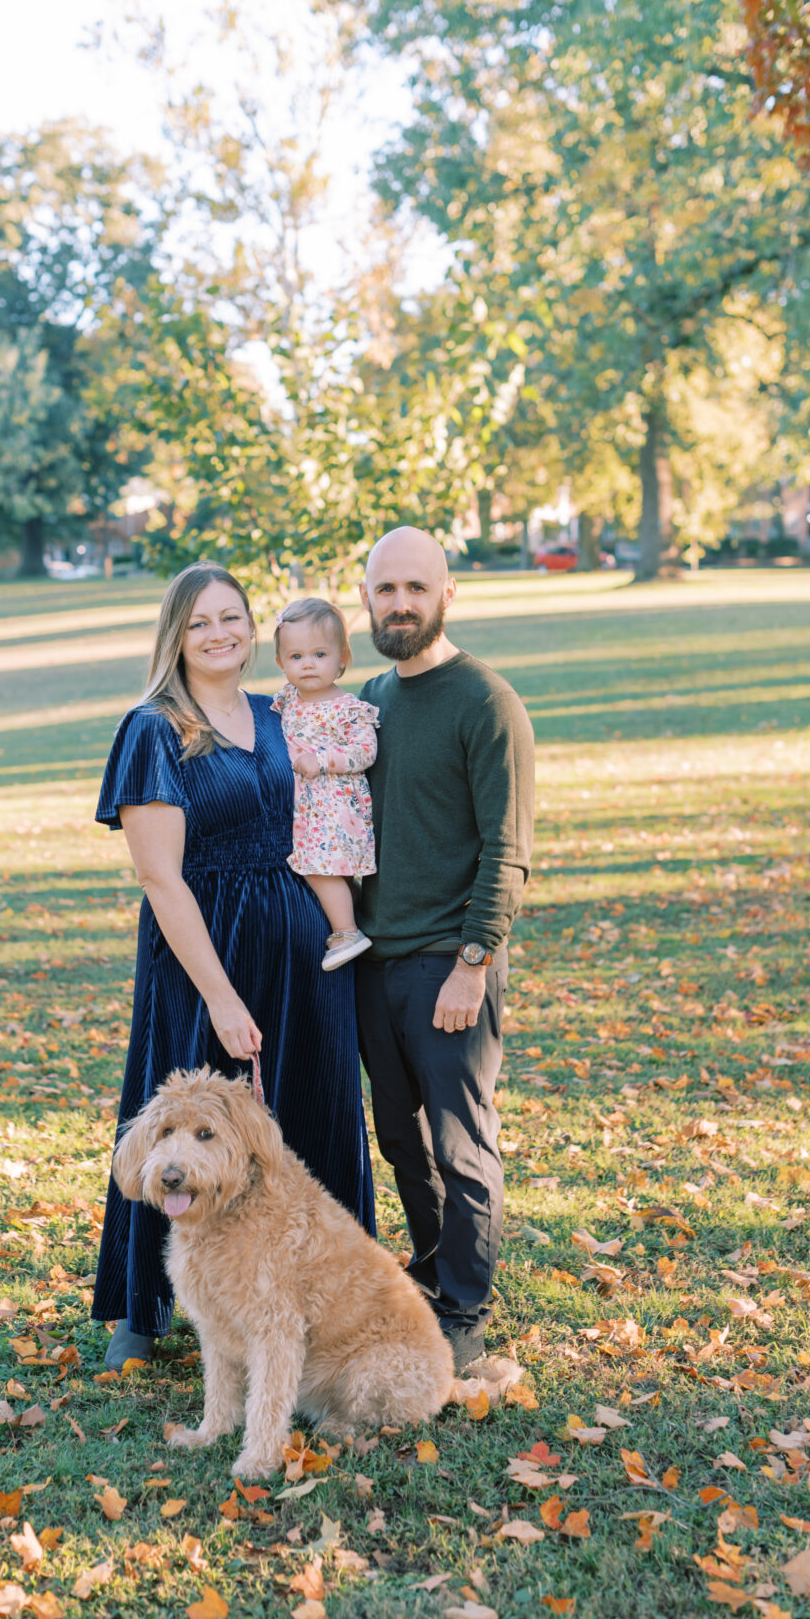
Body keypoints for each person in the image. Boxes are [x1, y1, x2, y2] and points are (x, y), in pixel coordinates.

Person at [93, 563, 376, 1368]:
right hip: (203, 949)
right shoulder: (154, 727)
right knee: (182, 1124)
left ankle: (325, 1300)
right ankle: (144, 1313)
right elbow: (159, 876)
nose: (219, 634)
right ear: (174, 636)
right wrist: (217, 994)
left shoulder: (278, 714)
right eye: (199, 623)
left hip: (300, 946)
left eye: (231, 617)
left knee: (314, 1111)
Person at [354, 526, 535, 1372]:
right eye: (385, 588)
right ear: (365, 596)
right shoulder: (368, 701)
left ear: (446, 594)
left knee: (460, 1145)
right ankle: (429, 1275)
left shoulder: (484, 701)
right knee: (400, 1138)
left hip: (449, 962)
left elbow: (508, 848)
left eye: (414, 589)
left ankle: (464, 1309)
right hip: (371, 961)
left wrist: (473, 960)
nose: (399, 604)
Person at [271, 597, 380, 970]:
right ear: (281, 663)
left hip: (334, 805)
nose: (308, 664)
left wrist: (322, 760)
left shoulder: (346, 708)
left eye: (319, 654)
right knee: (313, 866)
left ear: (342, 658)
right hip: (305, 805)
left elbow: (366, 751)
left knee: (321, 866)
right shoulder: (286, 700)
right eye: (296, 656)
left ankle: (347, 931)